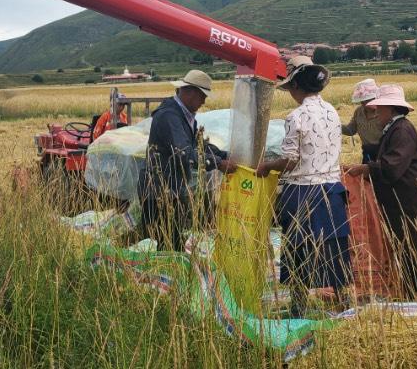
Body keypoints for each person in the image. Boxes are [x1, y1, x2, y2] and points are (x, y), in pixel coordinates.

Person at [256, 56, 352, 315]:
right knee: (333, 248)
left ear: (296, 87)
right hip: (332, 191)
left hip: (303, 192)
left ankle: (298, 307)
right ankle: (343, 301)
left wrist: (267, 166)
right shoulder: (332, 111)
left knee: (299, 250)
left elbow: (290, 160)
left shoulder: (295, 116)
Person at [344, 85, 417, 300]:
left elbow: (392, 166)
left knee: (416, 244)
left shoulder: (402, 130)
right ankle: (411, 293)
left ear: (390, 108)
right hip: (404, 199)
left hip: (414, 199)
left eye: (379, 108)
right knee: (405, 244)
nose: (376, 112)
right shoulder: (393, 129)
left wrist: (366, 169)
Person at [139, 70, 236, 251]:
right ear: (189, 91)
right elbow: (184, 152)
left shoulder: (185, 116)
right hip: (159, 190)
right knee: (168, 243)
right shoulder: (169, 116)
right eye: (202, 96)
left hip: (172, 188)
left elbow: (198, 147)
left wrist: (224, 155)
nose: (204, 102)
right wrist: (219, 164)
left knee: (171, 240)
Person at [341, 78, 383, 163]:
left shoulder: (383, 111)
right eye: (363, 101)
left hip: (384, 152)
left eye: (369, 100)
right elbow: (351, 130)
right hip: (367, 151)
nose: (365, 103)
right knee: (366, 175)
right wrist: (335, 125)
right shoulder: (359, 112)